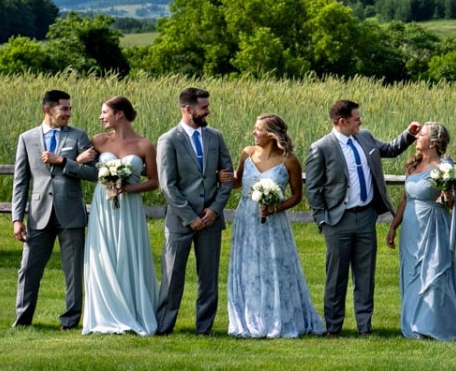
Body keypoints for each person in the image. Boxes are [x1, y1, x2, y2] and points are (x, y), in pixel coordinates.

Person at [304, 99, 420, 337]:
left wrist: (409, 134)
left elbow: (389, 149)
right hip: (338, 221)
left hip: (366, 217)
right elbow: (313, 189)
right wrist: (323, 221)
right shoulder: (322, 147)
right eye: (356, 118)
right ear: (341, 122)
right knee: (336, 277)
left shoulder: (365, 137)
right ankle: (333, 327)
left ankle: (364, 327)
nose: (361, 121)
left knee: (365, 275)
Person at [225, 114, 325, 338]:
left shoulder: (289, 161)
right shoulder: (247, 153)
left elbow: (297, 196)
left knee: (275, 267)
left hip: (274, 223)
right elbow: (238, 182)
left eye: (258, 129)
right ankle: (249, 317)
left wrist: (275, 208)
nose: (254, 133)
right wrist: (223, 178)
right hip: (246, 220)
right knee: (248, 267)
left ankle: (279, 317)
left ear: (271, 134)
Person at [386, 122, 456, 341]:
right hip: (411, 226)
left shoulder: (444, 168)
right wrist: (394, 226)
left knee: (433, 271)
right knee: (412, 273)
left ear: (432, 142)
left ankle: (432, 324)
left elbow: (450, 203)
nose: (416, 138)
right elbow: (404, 198)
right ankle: (414, 321)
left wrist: (448, 195)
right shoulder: (413, 166)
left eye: (420, 135)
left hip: (433, 223)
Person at [10, 88, 98, 329]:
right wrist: (17, 218)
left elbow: (93, 173)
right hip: (38, 215)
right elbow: (21, 181)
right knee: (28, 270)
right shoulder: (27, 138)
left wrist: (65, 162)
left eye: (70, 108)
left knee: (73, 272)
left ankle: (70, 321)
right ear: (48, 109)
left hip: (71, 214)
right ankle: (23, 320)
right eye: (65, 109)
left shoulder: (79, 136)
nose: (69, 113)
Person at [76, 96, 159, 336]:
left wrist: (127, 188)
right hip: (103, 206)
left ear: (119, 114)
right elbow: (82, 169)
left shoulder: (145, 146)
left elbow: (154, 182)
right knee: (103, 256)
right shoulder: (98, 141)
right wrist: (79, 160)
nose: (101, 117)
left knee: (129, 254)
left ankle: (134, 310)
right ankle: (105, 312)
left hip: (130, 207)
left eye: (104, 112)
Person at [155, 86, 235, 336]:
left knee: (209, 277)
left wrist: (213, 210)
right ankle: (164, 326)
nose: (208, 111)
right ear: (187, 109)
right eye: (204, 107)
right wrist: (190, 217)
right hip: (181, 221)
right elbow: (167, 185)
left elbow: (228, 176)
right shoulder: (168, 140)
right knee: (172, 276)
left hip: (212, 220)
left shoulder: (215, 136)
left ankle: (205, 328)